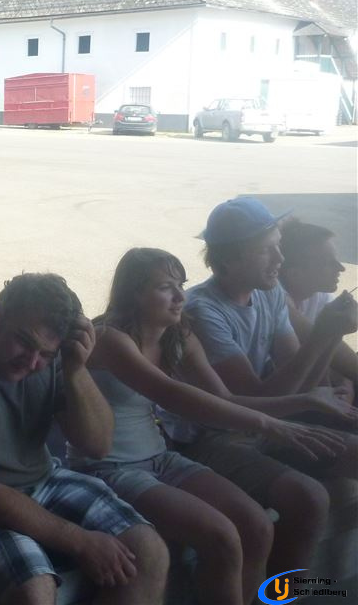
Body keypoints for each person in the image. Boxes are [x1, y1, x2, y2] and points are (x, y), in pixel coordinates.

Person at [72, 248, 350, 604]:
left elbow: (225, 399)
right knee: (222, 537)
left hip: (160, 458)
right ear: (134, 294)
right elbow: (170, 394)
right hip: (109, 468)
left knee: (256, 526)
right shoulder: (110, 338)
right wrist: (271, 425)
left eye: (181, 285)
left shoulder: (178, 335)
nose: (180, 297)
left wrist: (304, 400)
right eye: (165, 287)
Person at [0, 273, 169, 605]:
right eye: (23, 341)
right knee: (33, 591)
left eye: (47, 354)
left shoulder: (53, 357)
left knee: (149, 553)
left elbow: (97, 445)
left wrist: (76, 369)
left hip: (39, 478)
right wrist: (82, 542)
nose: (33, 362)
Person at [169, 197, 358, 574]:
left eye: (278, 247)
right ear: (228, 261)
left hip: (270, 425)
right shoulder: (204, 311)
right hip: (215, 437)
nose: (280, 260)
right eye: (267, 251)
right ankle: (280, 596)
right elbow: (252, 404)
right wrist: (323, 335)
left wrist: (328, 337)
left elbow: (298, 383)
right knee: (309, 498)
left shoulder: (268, 294)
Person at [279, 217, 356, 409]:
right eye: (329, 263)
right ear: (294, 274)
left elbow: (334, 358)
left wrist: (345, 385)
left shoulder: (318, 294)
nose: (341, 268)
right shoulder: (278, 301)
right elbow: (322, 346)